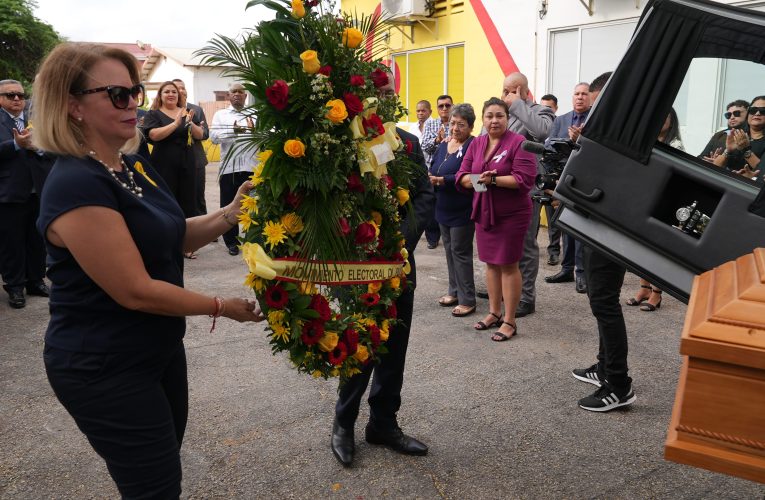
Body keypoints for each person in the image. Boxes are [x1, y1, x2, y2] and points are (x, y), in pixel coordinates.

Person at [33, 43, 264, 498]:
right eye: (118, 94)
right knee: (154, 489)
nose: (133, 104)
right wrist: (222, 306)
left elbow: (173, 234)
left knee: (160, 474)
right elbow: (135, 290)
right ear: (71, 105)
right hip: (103, 364)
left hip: (156, 349)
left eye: (136, 92)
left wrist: (233, 212)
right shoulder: (76, 182)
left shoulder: (133, 164)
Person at [331, 69, 435, 467]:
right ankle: (344, 422)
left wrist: (399, 243)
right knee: (360, 345)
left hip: (399, 266)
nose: (385, 97)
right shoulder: (345, 145)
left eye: (390, 91)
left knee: (394, 347)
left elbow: (424, 196)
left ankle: (383, 424)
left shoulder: (408, 143)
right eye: (377, 92)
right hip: (357, 268)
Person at [571, 71, 637, 412]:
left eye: (597, 105)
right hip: (599, 223)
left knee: (605, 302)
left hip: (612, 225)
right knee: (601, 301)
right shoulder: (619, 129)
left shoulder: (629, 130)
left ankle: (619, 384)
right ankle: (604, 366)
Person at [455, 97, 536, 341]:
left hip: (512, 214)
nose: (494, 120)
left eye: (499, 115)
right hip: (484, 211)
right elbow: (462, 176)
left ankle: (510, 321)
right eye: (489, 116)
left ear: (508, 118)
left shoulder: (520, 143)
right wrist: (479, 179)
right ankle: (494, 312)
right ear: (483, 119)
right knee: (490, 263)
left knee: (509, 265)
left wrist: (490, 180)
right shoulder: (477, 143)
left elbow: (523, 180)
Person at [499, 72, 556, 317]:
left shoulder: (539, 111)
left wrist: (519, 104)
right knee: (502, 243)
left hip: (525, 189)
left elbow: (543, 132)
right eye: (504, 91)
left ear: (522, 90)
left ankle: (526, 297)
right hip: (498, 187)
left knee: (525, 246)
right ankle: (505, 289)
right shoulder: (499, 113)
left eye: (510, 91)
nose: (505, 96)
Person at [0, 79, 54, 309]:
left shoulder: (36, 119)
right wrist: (15, 144)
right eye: (10, 95)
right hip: (9, 191)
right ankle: (14, 286)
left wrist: (38, 147)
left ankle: (35, 280)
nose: (16, 99)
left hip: (38, 190)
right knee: (12, 242)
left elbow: (52, 146)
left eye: (20, 95)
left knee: (37, 239)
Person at [625, 108, 684, 312]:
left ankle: (657, 294)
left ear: (672, 121)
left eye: (665, 117)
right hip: (644, 199)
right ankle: (644, 289)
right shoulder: (646, 142)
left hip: (665, 202)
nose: (660, 120)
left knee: (658, 250)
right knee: (641, 248)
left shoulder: (676, 145)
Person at [428, 103, 476, 317]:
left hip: (462, 209)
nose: (456, 128)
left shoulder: (474, 146)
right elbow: (433, 166)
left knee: (461, 252)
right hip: (442, 207)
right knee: (448, 251)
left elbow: (475, 180)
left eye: (461, 125)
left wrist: (443, 180)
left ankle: (468, 299)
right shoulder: (443, 145)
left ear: (471, 127)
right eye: (453, 123)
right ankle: (454, 291)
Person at [544, 82, 591, 294]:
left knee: (579, 228)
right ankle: (566, 269)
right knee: (565, 225)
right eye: (576, 94)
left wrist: (580, 140)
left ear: (590, 97)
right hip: (563, 179)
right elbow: (548, 145)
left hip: (585, 182)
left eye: (584, 94)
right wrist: (567, 141)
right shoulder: (561, 120)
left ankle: (581, 273)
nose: (580, 97)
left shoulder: (595, 121)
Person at [142, 81, 203, 241]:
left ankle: (187, 242)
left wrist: (190, 123)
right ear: (160, 96)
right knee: (167, 201)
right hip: (163, 164)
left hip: (187, 162)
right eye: (167, 92)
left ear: (178, 95)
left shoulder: (188, 112)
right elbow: (154, 135)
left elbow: (199, 135)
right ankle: (167, 240)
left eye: (174, 92)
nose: (171, 94)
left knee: (188, 201)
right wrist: (176, 123)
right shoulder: (153, 114)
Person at [209, 82, 256, 256]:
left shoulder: (255, 113)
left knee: (253, 205)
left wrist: (255, 131)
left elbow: (269, 132)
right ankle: (231, 242)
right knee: (229, 205)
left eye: (240, 92)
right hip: (230, 169)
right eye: (233, 92)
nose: (237, 94)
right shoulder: (220, 115)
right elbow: (214, 137)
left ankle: (253, 239)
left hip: (252, 167)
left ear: (245, 96)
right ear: (228, 96)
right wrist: (233, 131)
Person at [173, 78, 210, 217]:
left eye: (182, 88)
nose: (180, 91)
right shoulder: (166, 110)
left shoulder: (197, 110)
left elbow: (205, 134)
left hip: (196, 160)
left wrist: (191, 122)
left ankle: (204, 230)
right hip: (175, 160)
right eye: (176, 88)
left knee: (198, 196)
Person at [421, 95, 453, 249]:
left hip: (450, 172)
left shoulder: (456, 124)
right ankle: (432, 238)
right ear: (437, 108)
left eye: (448, 105)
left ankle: (450, 235)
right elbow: (425, 147)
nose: (445, 108)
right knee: (431, 205)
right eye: (441, 106)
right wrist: (437, 141)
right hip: (432, 172)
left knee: (448, 202)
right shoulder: (431, 124)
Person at [711, 95, 765, 182]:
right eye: (753, 110)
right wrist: (727, 151)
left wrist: (745, 150)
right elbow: (713, 167)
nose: (757, 113)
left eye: (763, 111)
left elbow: (762, 172)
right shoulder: (733, 135)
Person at [538, 93, 561, 265]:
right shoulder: (534, 127)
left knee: (553, 218)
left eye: (549, 108)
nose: (545, 112)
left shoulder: (560, 126)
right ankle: (531, 247)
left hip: (552, 178)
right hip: (535, 177)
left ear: (556, 109)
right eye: (542, 108)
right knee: (532, 218)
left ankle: (554, 251)